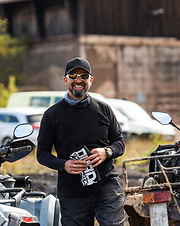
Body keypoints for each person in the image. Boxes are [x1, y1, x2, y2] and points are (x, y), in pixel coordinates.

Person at [37, 57, 125, 226]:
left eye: (84, 76)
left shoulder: (104, 109)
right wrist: (64, 164)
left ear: (90, 80)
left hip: (106, 185)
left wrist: (106, 152)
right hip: (73, 192)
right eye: (73, 76)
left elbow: (119, 143)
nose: (79, 80)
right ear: (65, 80)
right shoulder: (52, 115)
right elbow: (42, 154)